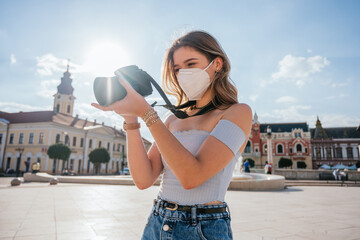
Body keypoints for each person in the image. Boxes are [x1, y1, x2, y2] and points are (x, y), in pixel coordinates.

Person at [92, 31, 252, 239]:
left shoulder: (237, 112)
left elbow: (191, 176)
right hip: (158, 221)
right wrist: (131, 119)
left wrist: (147, 113)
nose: (182, 73)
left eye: (191, 64)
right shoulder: (172, 119)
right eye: (177, 69)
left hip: (202, 227)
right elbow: (143, 179)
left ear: (217, 64)